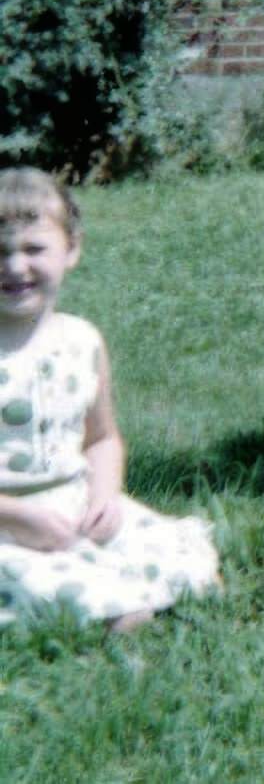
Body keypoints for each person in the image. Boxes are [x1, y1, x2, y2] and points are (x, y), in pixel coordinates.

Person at [0, 168, 220, 631]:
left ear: (71, 249)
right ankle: (109, 605)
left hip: (72, 503)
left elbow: (102, 438)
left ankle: (116, 591)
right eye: (0, 252)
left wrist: (104, 494)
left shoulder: (82, 340)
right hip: (7, 519)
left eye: (33, 249)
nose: (15, 267)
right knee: (46, 581)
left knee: (183, 558)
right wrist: (18, 517)